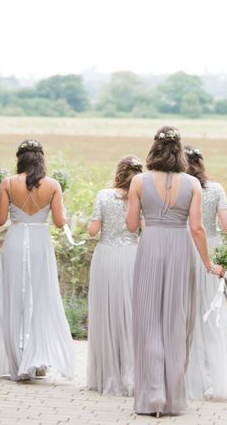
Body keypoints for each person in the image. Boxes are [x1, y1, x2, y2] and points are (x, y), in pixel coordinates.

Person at [126, 126, 223, 417]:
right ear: (179, 151)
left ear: (154, 149)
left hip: (151, 246)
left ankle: (151, 396)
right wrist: (208, 264)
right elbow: (196, 228)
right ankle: (172, 399)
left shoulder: (139, 181)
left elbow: (131, 226)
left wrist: (150, 217)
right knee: (177, 322)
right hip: (182, 250)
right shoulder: (193, 184)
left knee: (148, 320)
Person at [0, 138, 75, 382]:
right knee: (40, 297)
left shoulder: (7, 183)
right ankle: (38, 359)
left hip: (16, 241)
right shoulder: (52, 185)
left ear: (20, 159)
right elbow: (60, 223)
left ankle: (18, 360)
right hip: (40, 242)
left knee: (14, 297)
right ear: (41, 160)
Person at [184, 146, 227, 400]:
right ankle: (215, 375)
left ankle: (189, 376)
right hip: (210, 248)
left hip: (183, 248)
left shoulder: (180, 187)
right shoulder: (215, 189)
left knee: (185, 310)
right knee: (211, 313)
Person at [86, 155, 143, 396]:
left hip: (107, 257)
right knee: (131, 312)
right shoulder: (141, 197)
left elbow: (92, 231)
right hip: (132, 256)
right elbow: (143, 228)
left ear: (118, 173)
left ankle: (107, 374)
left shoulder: (103, 195)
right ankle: (132, 374)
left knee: (106, 311)